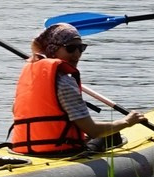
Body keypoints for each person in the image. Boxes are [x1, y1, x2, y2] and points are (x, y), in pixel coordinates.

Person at [8, 23, 139, 156]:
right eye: (70, 48)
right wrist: (126, 122)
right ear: (52, 49)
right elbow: (93, 130)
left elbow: (16, 111)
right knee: (112, 135)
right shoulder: (66, 83)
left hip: (24, 149)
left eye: (81, 48)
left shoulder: (28, 79)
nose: (77, 54)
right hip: (62, 151)